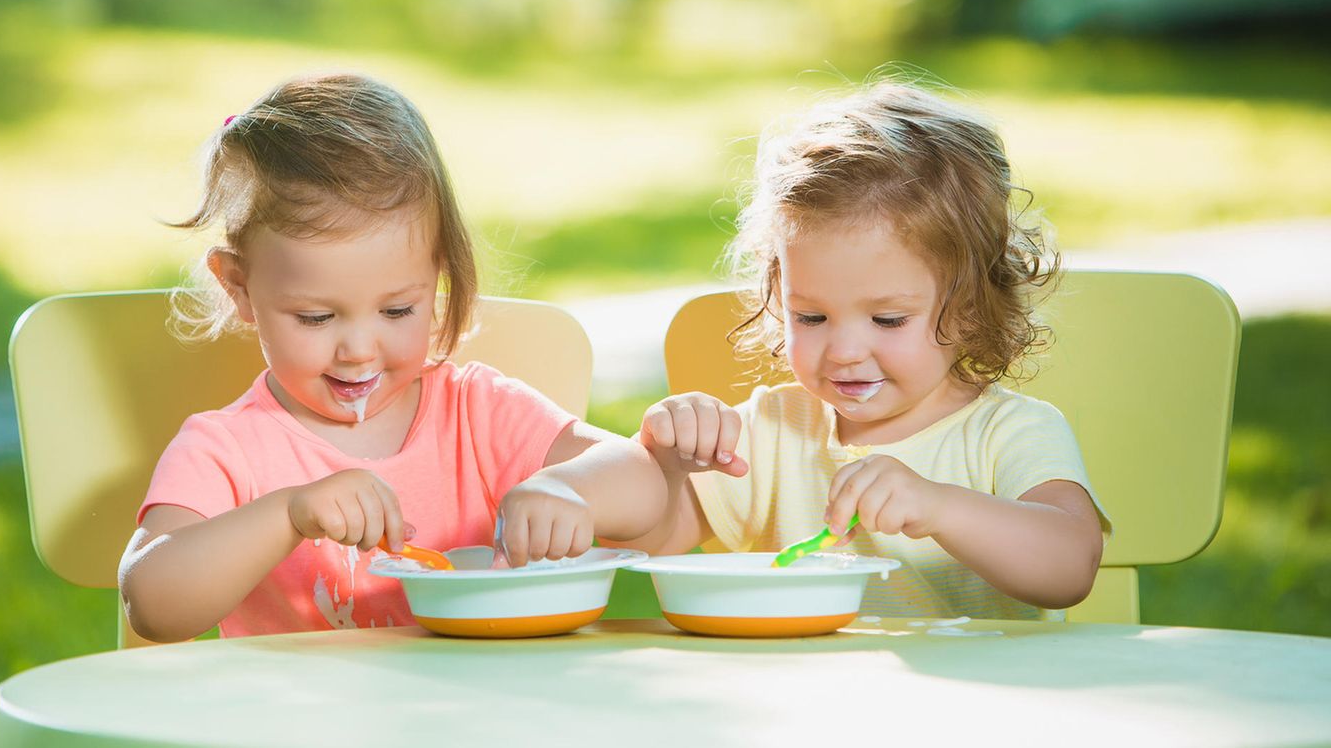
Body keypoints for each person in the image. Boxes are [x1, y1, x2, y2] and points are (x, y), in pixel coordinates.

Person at [118, 73, 665, 641]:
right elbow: (153, 605)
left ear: (438, 278)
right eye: (316, 318)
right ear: (239, 287)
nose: (358, 350)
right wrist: (286, 515)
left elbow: (645, 486)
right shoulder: (226, 449)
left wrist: (568, 489)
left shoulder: (477, 413)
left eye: (398, 311)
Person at [622, 81, 1111, 620]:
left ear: (971, 306)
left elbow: (1070, 566)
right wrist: (664, 466)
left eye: (887, 319)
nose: (845, 351)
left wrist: (940, 506)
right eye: (811, 316)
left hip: (974, 701)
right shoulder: (773, 431)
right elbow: (654, 535)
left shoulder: (1009, 433)